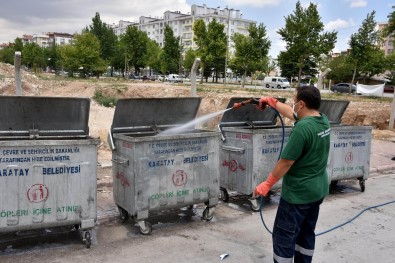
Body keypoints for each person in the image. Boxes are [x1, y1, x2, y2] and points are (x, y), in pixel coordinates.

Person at [254, 85, 331, 263]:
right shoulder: (322, 120)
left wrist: (267, 184)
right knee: (305, 235)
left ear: (302, 104)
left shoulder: (302, 129)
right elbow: (291, 113)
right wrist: (272, 102)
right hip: (316, 191)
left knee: (284, 238)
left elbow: (286, 162)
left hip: (298, 195)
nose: (293, 104)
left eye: (295, 101)